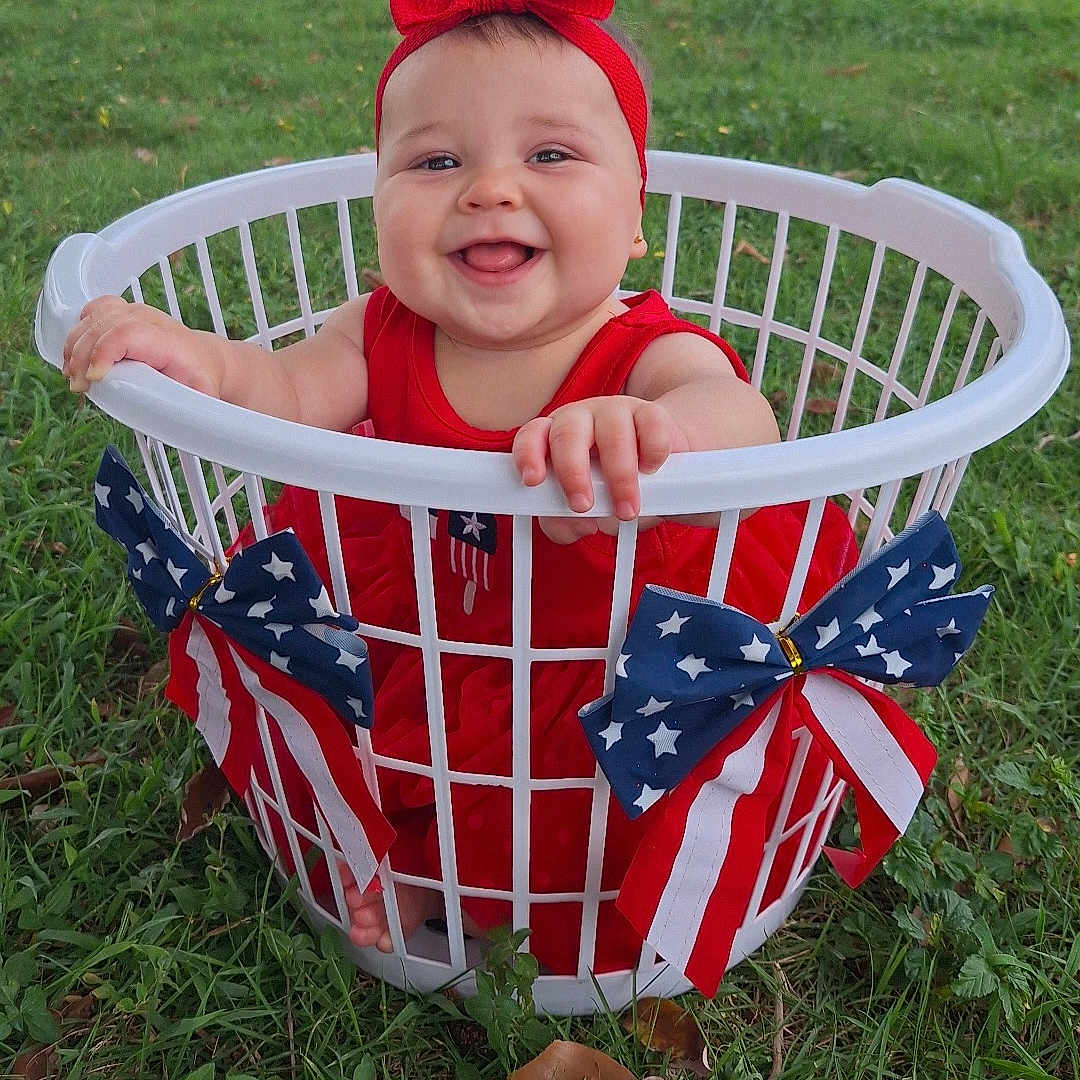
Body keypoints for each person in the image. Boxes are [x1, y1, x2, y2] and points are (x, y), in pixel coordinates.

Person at [62, 0, 856, 973]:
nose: (490, 189)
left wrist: (656, 432)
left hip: (598, 653)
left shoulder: (646, 351)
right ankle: (411, 860)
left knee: (579, 794)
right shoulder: (380, 331)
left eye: (551, 155)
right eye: (436, 161)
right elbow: (286, 390)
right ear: (379, 199)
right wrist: (207, 360)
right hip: (426, 625)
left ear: (636, 218)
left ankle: (558, 898)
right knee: (364, 716)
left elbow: (740, 413)